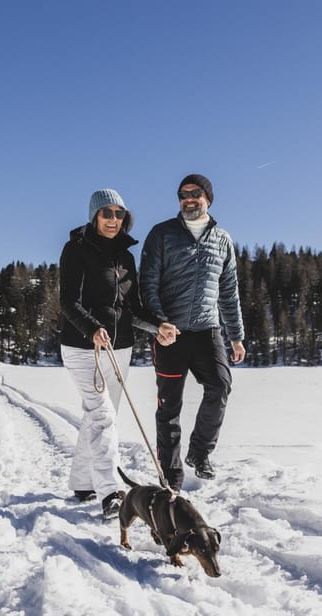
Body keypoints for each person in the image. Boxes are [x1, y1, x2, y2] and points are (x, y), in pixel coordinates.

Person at [59, 188, 176, 517]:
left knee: (99, 416)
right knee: (103, 416)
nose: (113, 219)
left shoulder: (125, 257)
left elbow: (132, 308)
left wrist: (158, 327)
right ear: (94, 216)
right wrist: (91, 328)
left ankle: (82, 481)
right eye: (106, 213)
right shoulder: (75, 250)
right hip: (84, 349)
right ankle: (110, 492)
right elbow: (68, 301)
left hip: (119, 349)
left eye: (119, 214)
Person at [139, 174, 245, 491]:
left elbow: (229, 291)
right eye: (183, 194)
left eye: (195, 193)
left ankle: (199, 453)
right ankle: (171, 475)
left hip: (208, 331)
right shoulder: (161, 234)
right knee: (169, 407)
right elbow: (148, 285)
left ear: (208, 198)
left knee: (220, 385)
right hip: (170, 335)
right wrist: (159, 323)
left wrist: (236, 336)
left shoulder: (222, 239)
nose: (189, 198)